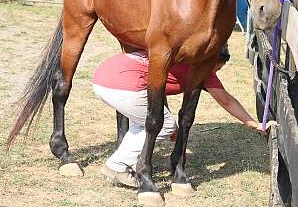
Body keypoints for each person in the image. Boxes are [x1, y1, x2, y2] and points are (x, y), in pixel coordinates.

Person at [92, 44, 263, 188]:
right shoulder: (203, 69)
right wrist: (253, 123)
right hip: (123, 85)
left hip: (102, 78)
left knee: (147, 121)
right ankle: (117, 165)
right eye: (219, 67)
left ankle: (118, 162)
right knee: (163, 125)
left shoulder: (180, 53)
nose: (217, 71)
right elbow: (226, 100)